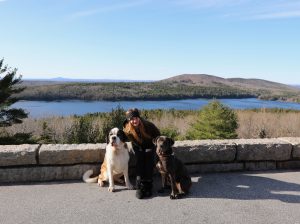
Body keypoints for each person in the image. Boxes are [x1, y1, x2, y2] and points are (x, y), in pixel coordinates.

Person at [123, 108, 160, 199]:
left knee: (149, 158)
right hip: (137, 146)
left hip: (150, 145)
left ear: (139, 117)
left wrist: (152, 147)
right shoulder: (127, 129)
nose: (134, 120)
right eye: (131, 119)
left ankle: (148, 185)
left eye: (136, 118)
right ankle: (139, 186)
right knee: (140, 158)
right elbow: (126, 140)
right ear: (129, 120)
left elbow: (158, 135)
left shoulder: (148, 125)